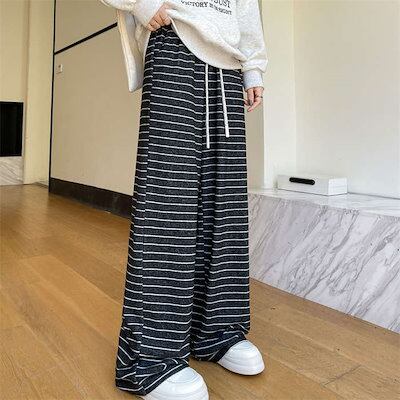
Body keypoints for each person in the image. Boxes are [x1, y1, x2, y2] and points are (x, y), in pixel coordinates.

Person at [99, 1, 268, 399]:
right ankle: (151, 357)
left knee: (225, 203)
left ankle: (217, 331)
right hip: (173, 39)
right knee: (168, 201)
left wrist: (253, 66)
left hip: (227, 62)